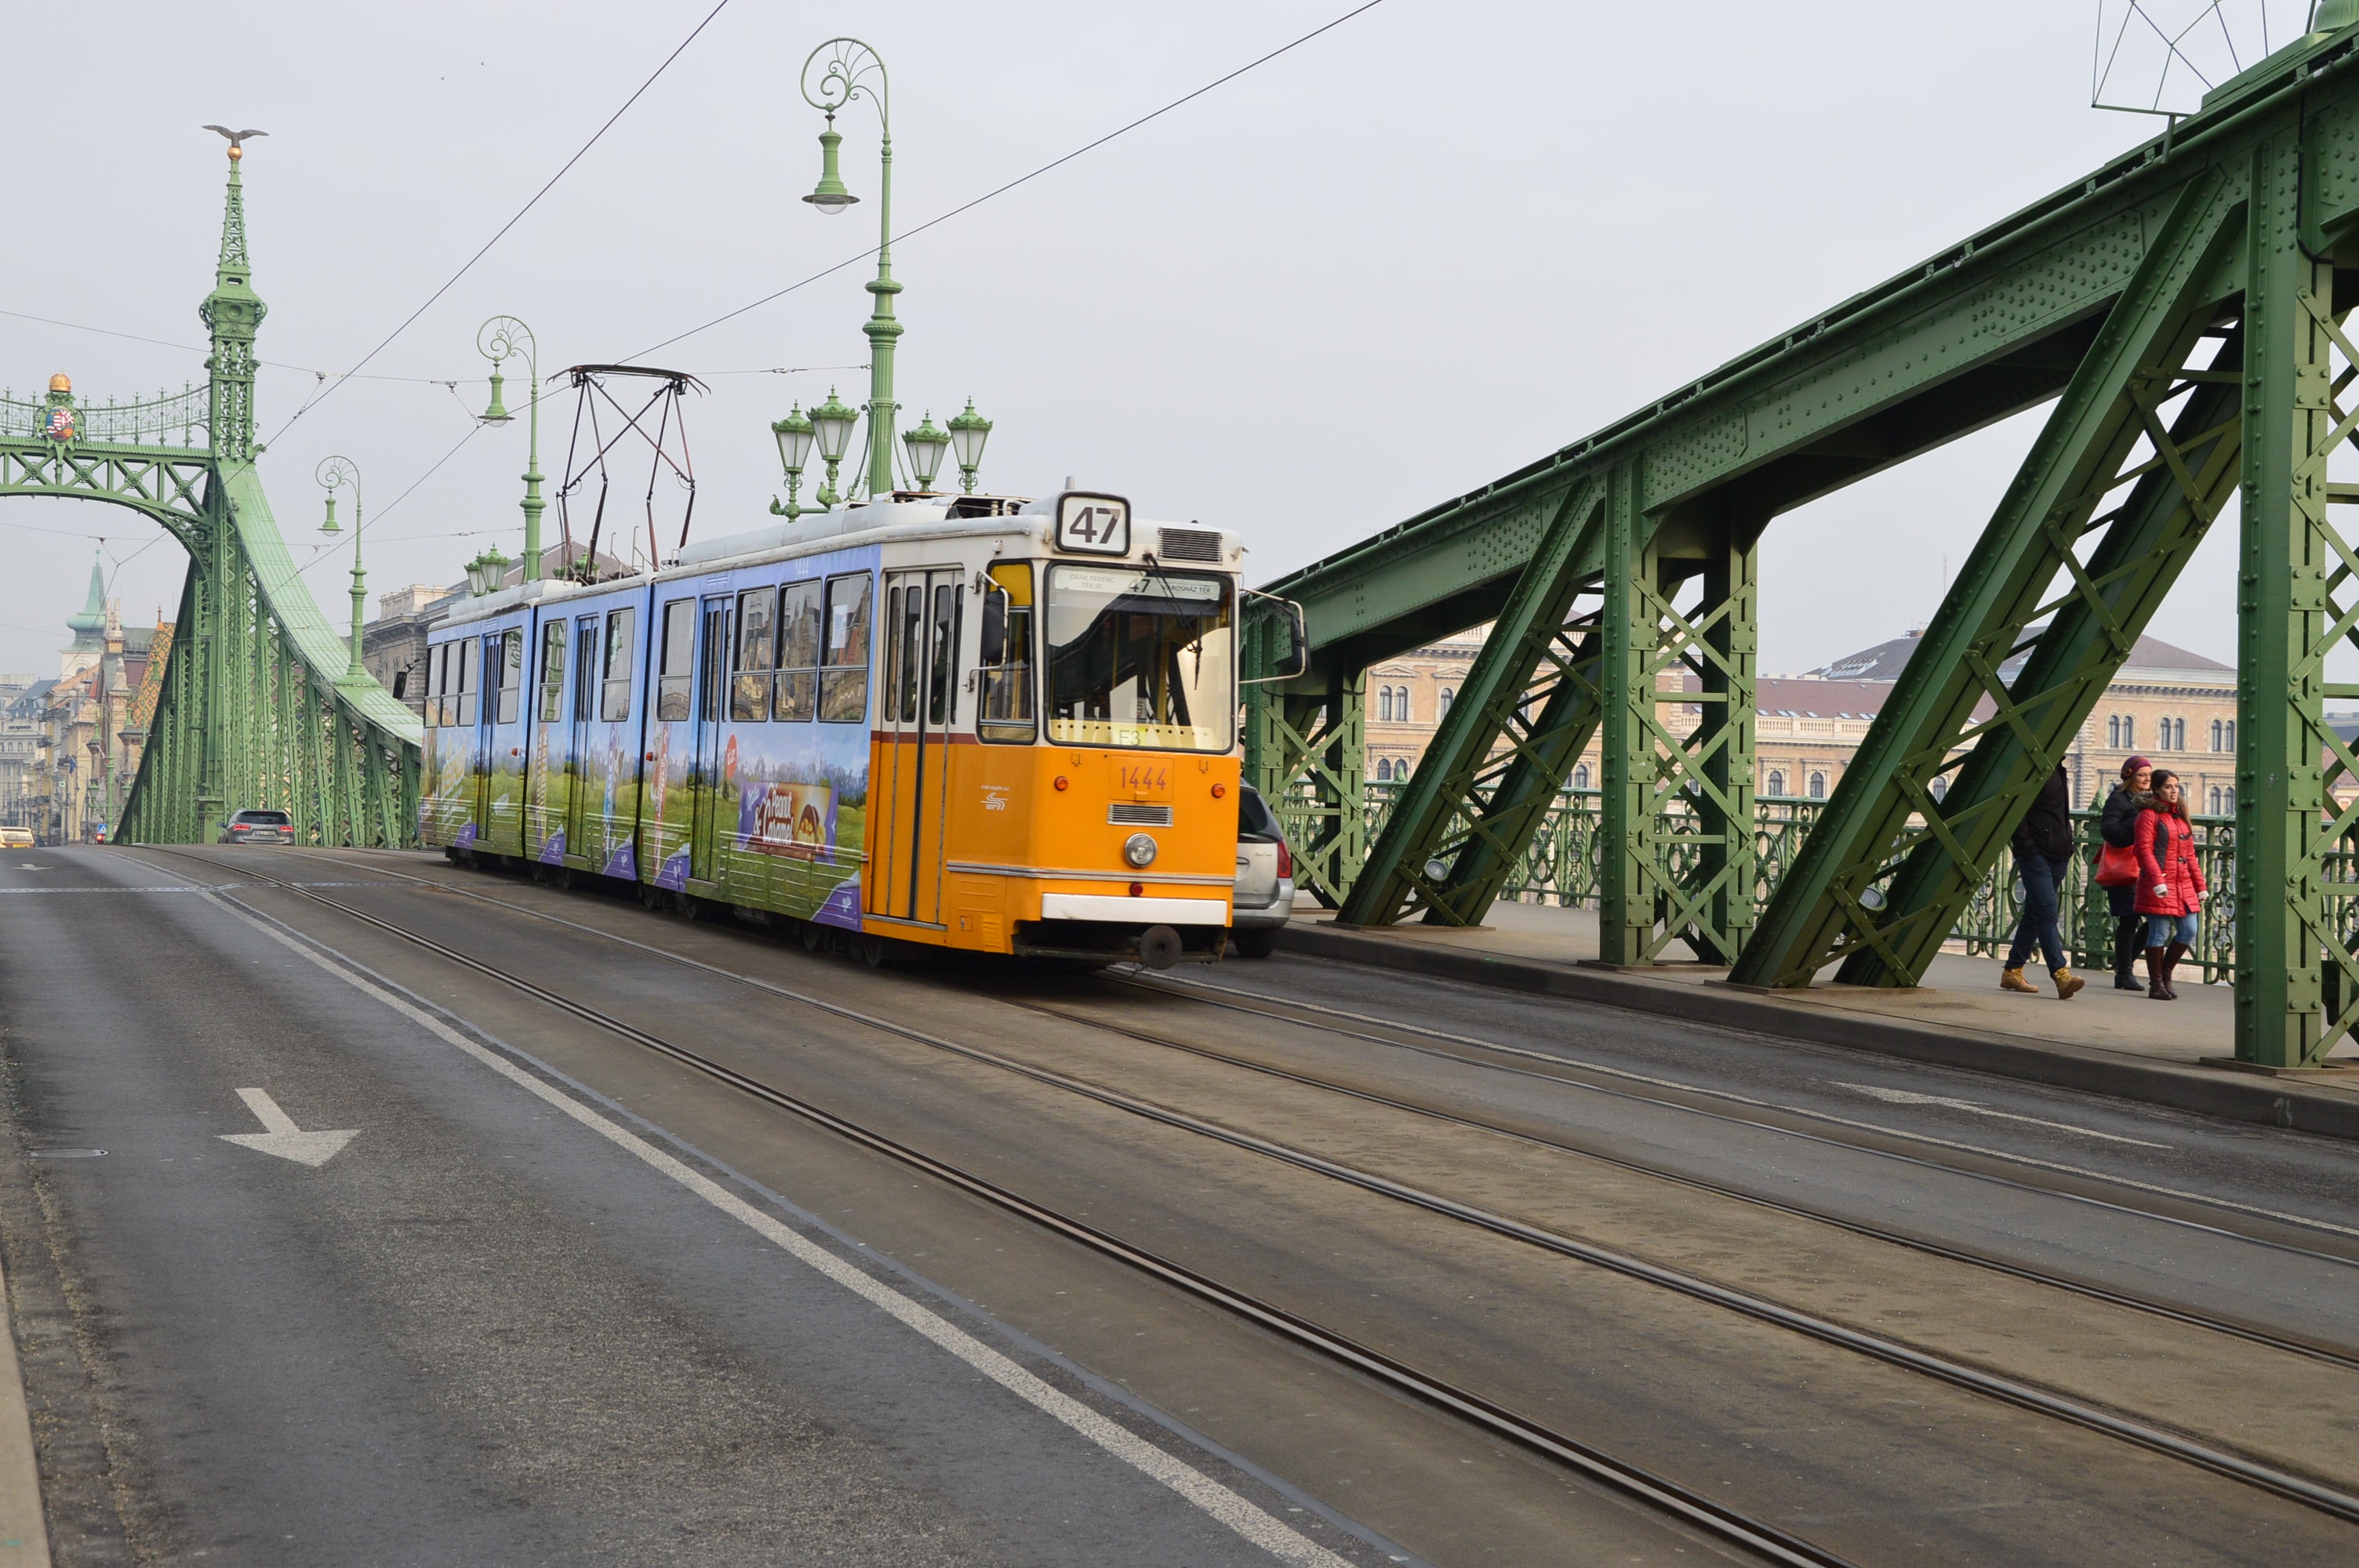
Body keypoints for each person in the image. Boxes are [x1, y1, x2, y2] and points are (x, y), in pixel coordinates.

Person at [2000, 761, 2085, 999]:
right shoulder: (2033, 767)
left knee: (2035, 914)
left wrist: (2067, 846)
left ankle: (2012, 971)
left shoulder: (2058, 768)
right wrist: (2028, 850)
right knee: (2047, 913)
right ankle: (2061, 975)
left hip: (2058, 854)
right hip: (2036, 856)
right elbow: (2016, 812)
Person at [2135, 769, 2206, 1001]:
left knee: (2190, 930)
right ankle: (2156, 985)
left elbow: (2190, 855)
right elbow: (2143, 850)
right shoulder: (2148, 815)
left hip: (2182, 883)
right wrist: (2157, 880)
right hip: (2159, 882)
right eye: (2168, 787)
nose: (2174, 791)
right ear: (2157, 789)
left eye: (2176, 786)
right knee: (2160, 932)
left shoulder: (2178, 815)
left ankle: (2165, 975)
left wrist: (2200, 885)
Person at [2099, 756, 2154, 990]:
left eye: (2149, 775)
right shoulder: (2118, 800)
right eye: (2142, 775)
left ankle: (2125, 965)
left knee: (2157, 918)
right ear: (2130, 776)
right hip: (2126, 867)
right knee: (2129, 919)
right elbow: (2109, 831)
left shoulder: (2152, 799)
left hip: (2147, 866)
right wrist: (2137, 822)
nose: (2147, 779)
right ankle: (2124, 973)